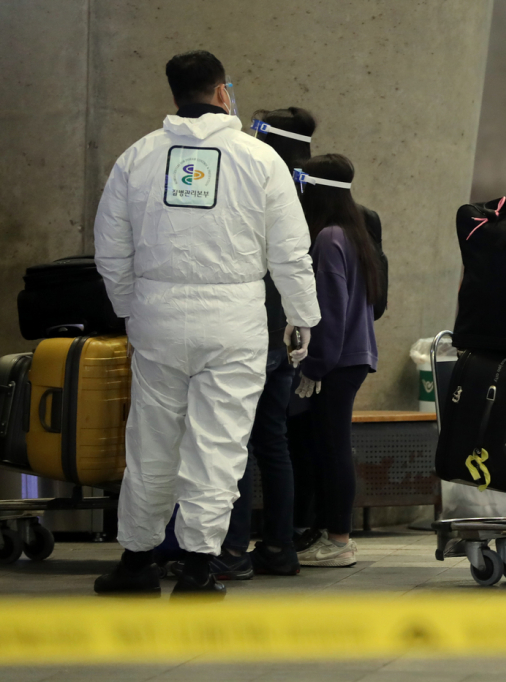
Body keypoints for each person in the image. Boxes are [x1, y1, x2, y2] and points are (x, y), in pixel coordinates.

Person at [92, 51, 321, 596]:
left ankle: (137, 561)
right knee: (218, 445)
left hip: (157, 317)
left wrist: (130, 307)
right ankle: (199, 568)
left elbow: (110, 249)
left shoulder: (138, 157)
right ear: (223, 93)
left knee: (151, 442)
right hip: (234, 320)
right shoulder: (260, 159)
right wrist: (302, 317)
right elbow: (290, 251)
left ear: (175, 95)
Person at [178, 108, 319, 581]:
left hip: (250, 333)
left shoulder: (255, 179)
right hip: (283, 335)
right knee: (272, 443)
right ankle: (279, 546)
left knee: (229, 440)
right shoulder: (304, 189)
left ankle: (231, 549)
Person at [289, 154, 381, 567]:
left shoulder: (328, 237)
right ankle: (327, 533)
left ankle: (339, 541)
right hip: (350, 357)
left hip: (336, 361)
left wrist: (314, 366)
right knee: (327, 446)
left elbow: (329, 309)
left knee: (332, 448)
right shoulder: (353, 231)